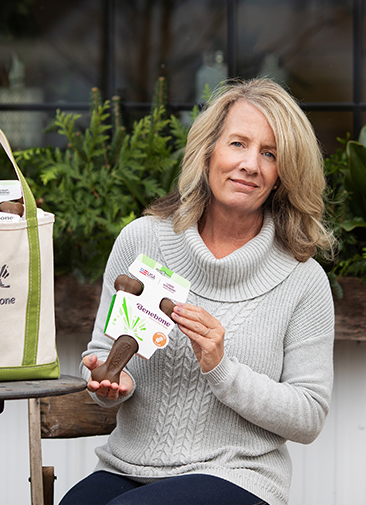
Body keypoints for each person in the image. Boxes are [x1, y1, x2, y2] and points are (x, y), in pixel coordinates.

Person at [60, 78, 335, 505]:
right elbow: (103, 353)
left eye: (270, 153)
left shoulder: (302, 279)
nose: (250, 164)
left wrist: (222, 368)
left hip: (237, 476)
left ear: (283, 175)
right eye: (238, 144)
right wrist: (108, 382)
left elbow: (309, 417)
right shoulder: (141, 243)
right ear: (208, 152)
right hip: (127, 467)